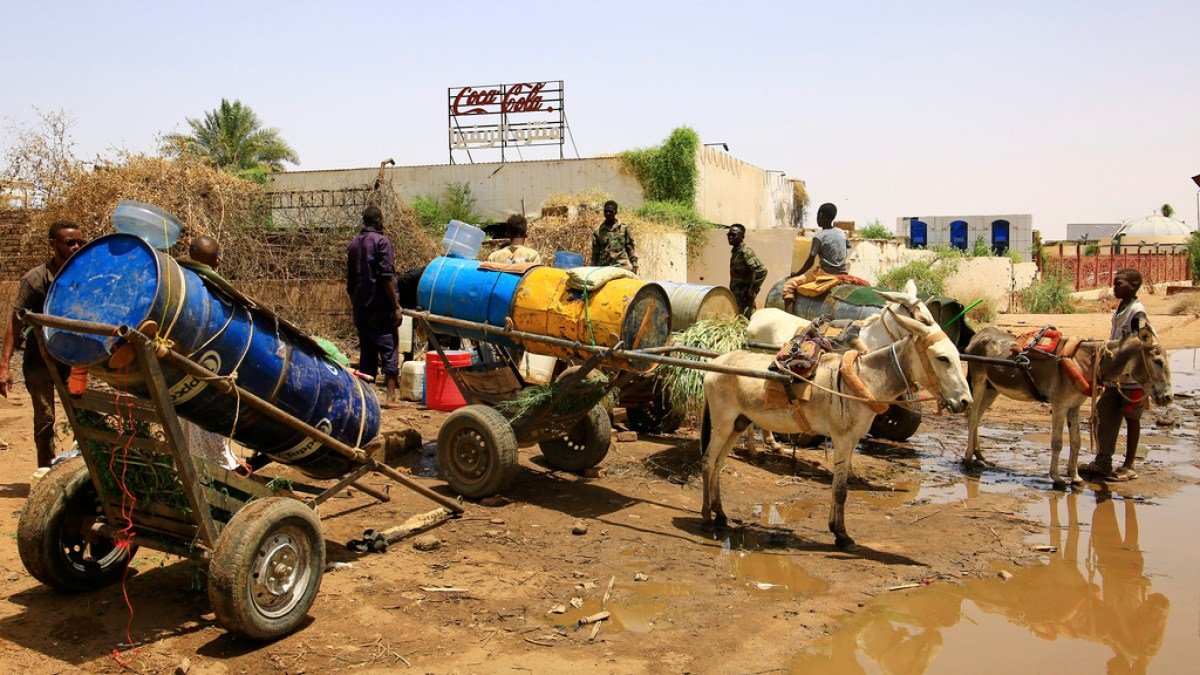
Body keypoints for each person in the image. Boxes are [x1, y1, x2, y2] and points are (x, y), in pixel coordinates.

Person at [0, 221, 84, 467]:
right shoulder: (36, 279)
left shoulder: (85, 274)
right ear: (53, 245)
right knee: (45, 418)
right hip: (41, 359)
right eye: (70, 243)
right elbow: (15, 322)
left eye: (80, 242)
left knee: (83, 415)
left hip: (74, 359)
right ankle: (45, 472)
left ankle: (87, 472)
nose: (76, 247)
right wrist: (4, 365)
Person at [1082, 268, 1148, 481]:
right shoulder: (1121, 308)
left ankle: (1129, 465)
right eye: (1115, 283)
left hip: (1132, 378)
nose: (1114, 287)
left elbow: (1143, 340)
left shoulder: (1137, 312)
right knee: (1102, 413)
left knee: (1131, 418)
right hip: (1115, 377)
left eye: (1119, 283)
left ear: (1134, 285)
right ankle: (1103, 461)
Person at [346, 205, 403, 407]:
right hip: (380, 306)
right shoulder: (382, 242)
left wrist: (356, 306)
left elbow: (350, 282)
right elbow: (387, 276)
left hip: (361, 306)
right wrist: (395, 305)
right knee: (389, 347)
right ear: (378, 220)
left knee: (367, 351)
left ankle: (366, 400)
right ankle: (390, 396)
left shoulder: (354, 244)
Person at [782, 202, 850, 313]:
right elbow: (845, 249)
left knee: (789, 285)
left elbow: (810, 261)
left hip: (825, 274)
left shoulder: (819, 237)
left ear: (821, 215)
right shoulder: (841, 233)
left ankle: (788, 318)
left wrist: (797, 274)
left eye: (817, 215)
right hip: (842, 273)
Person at [727, 223, 767, 317]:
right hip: (737, 296)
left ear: (742, 237)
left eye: (733, 235)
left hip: (743, 297)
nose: (730, 237)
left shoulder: (745, 252)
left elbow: (761, 271)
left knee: (747, 322)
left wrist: (751, 291)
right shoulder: (736, 251)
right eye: (729, 235)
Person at [590, 200, 637, 273]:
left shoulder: (624, 228)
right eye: (605, 211)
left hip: (621, 267)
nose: (607, 213)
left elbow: (630, 248)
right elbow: (595, 253)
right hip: (604, 268)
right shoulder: (598, 231)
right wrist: (592, 268)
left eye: (610, 211)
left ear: (615, 212)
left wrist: (634, 265)